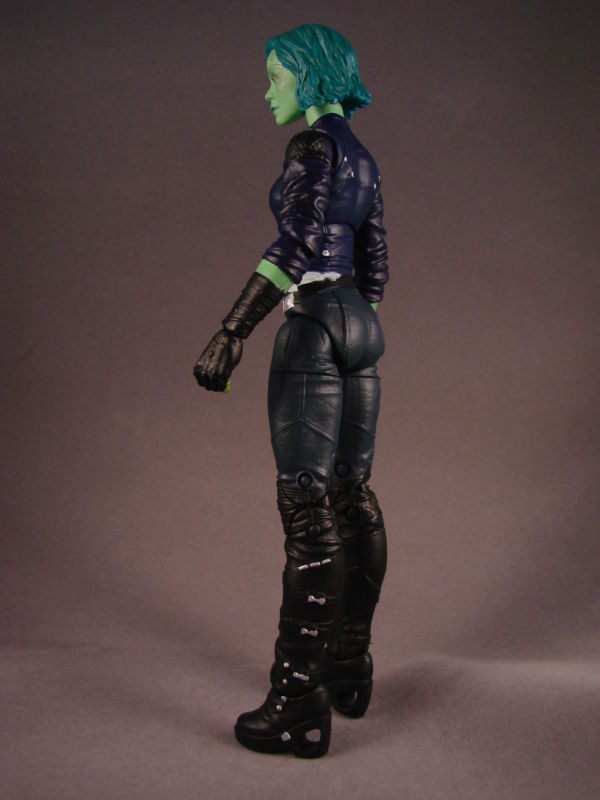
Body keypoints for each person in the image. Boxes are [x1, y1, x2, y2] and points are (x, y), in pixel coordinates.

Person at [193, 23, 389, 758]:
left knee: (308, 509)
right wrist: (354, 318)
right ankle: (348, 665)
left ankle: (299, 696)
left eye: (277, 75)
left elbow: (297, 241)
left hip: (312, 325)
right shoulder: (362, 154)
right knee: (352, 494)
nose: (268, 89)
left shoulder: (311, 145)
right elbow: (375, 258)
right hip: (361, 325)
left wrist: (234, 327)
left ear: (309, 77)